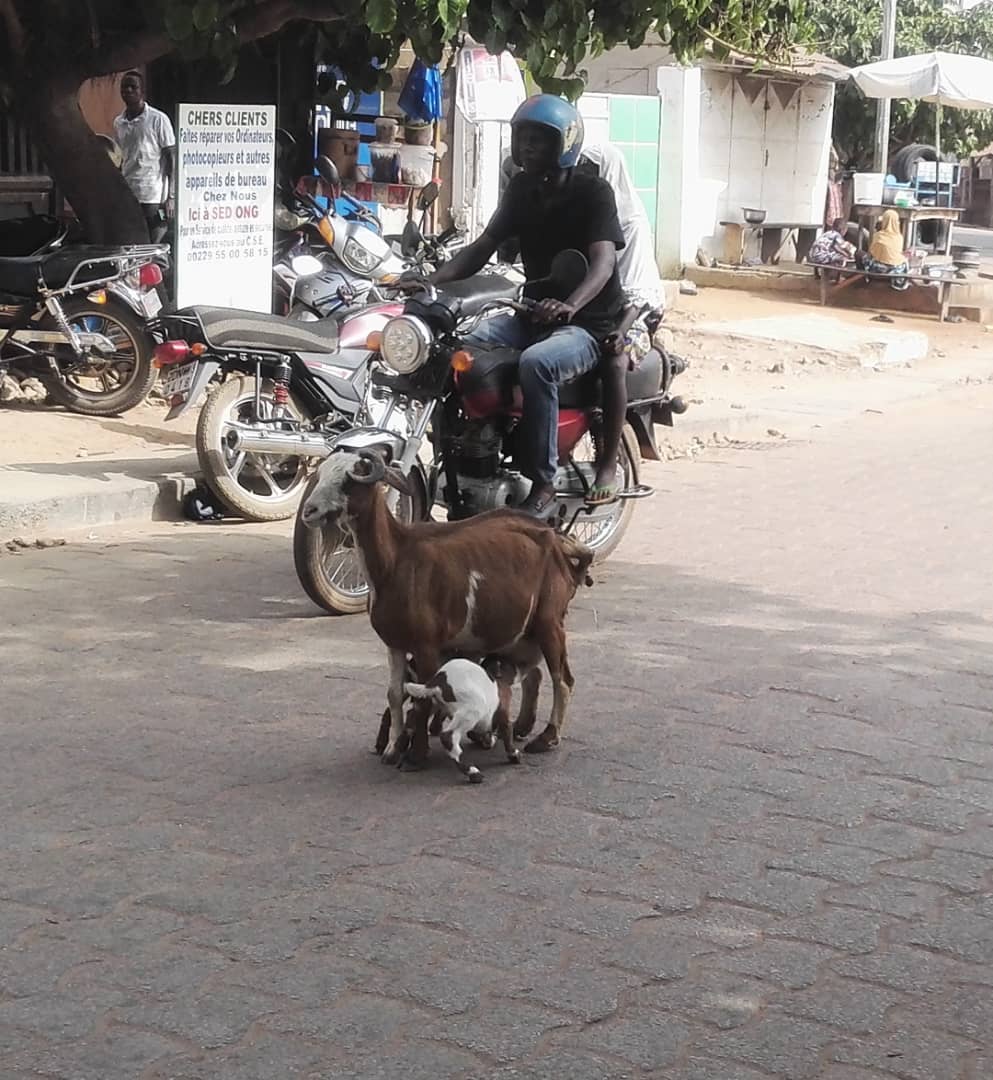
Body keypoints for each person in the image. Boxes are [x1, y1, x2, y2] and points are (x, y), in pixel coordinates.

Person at [428, 95, 626, 518]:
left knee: (537, 363)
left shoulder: (593, 191)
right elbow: (483, 246)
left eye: (540, 138)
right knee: (456, 344)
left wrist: (570, 306)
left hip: (587, 324)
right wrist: (430, 282)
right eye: (523, 137)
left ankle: (544, 482)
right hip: (532, 313)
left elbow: (604, 261)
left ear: (565, 143)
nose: (529, 146)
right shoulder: (521, 189)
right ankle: (467, 445)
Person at [578, 142, 665, 503]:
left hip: (631, 318)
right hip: (581, 311)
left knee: (613, 360)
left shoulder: (630, 225)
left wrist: (620, 330)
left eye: (587, 171)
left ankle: (607, 464)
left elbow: (639, 297)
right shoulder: (568, 214)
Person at [113, 71, 175, 242]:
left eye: (134, 87)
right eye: (125, 87)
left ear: (142, 91)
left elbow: (172, 158)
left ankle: (163, 269)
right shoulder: (119, 122)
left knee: (153, 246)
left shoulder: (158, 119)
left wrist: (171, 197)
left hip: (153, 194)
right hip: (129, 193)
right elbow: (119, 158)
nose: (129, 90)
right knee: (134, 245)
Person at [862, 209, 909, 290]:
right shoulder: (899, 237)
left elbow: (872, 253)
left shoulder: (878, 236)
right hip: (897, 269)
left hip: (880, 269)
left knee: (860, 254)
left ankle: (863, 280)